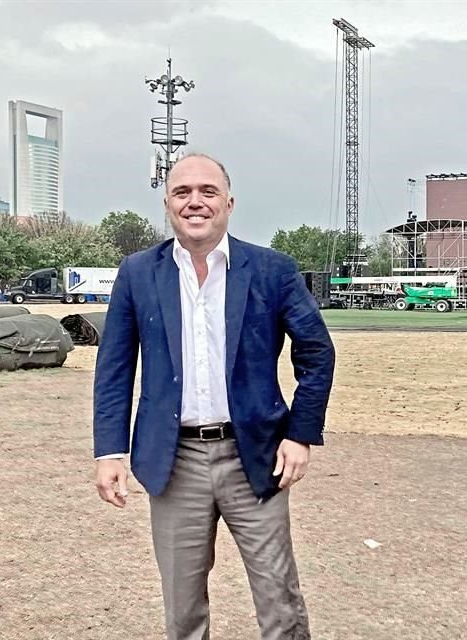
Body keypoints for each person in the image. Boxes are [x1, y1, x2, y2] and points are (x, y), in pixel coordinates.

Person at [92, 153, 335, 640]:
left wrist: (300, 434)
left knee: (279, 601)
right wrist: (109, 451)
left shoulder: (272, 270)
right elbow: (114, 368)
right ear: (167, 204)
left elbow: (317, 352)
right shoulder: (138, 273)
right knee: (182, 611)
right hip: (174, 460)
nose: (195, 202)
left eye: (207, 191)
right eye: (182, 192)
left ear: (229, 202)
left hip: (255, 457)